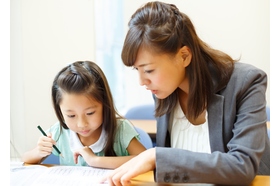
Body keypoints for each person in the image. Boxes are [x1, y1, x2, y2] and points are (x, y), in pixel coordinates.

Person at [103, 1, 270, 185]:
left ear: (184, 56)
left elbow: (242, 167)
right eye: (137, 70)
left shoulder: (246, 82)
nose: (142, 81)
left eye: (149, 70)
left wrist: (157, 156)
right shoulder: (165, 90)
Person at [21, 61, 146, 168]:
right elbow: (25, 159)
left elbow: (146, 160)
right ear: (60, 111)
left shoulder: (121, 129)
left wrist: (96, 161)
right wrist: (39, 151)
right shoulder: (59, 132)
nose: (82, 124)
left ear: (105, 105)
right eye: (71, 116)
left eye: (90, 113)